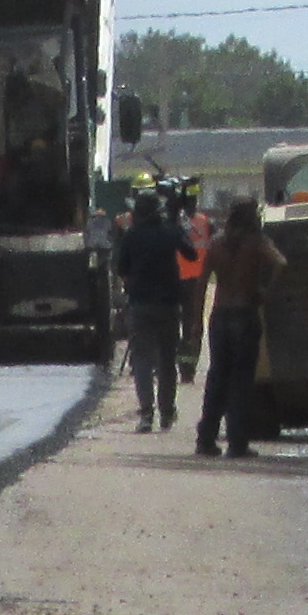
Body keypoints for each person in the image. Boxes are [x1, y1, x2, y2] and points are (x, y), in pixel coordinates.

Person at [194, 190, 276, 457]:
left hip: (220, 316)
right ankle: (237, 442)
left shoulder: (217, 244)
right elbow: (281, 262)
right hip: (245, 314)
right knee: (241, 382)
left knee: (217, 377)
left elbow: (201, 282)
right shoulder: (256, 243)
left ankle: (206, 439)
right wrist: (265, 289)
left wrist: (196, 320)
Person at [115, 187, 189, 432]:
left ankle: (146, 414)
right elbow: (189, 253)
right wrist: (178, 224)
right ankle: (167, 411)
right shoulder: (170, 231)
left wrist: (133, 283)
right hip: (168, 304)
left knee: (143, 360)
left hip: (141, 304)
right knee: (168, 360)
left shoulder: (132, 235)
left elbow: (121, 269)